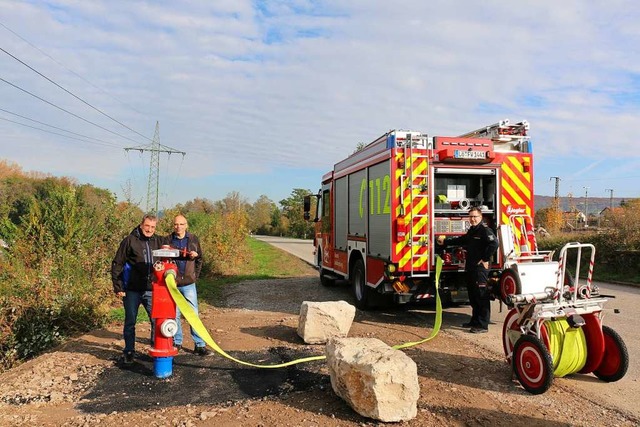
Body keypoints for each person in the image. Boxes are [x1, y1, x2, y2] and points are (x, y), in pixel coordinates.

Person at [437, 207, 498, 333]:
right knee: (473, 296)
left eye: (475, 216)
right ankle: (475, 321)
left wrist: (485, 259)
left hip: (480, 269)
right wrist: (445, 242)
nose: (473, 219)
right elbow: (462, 240)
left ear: (480, 217)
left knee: (481, 296)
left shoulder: (484, 230)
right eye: (470, 216)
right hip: (471, 267)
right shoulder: (472, 231)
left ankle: (482, 325)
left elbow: (494, 244)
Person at [111, 214, 162, 364]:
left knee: (156, 320)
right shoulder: (129, 241)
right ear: (141, 225)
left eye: (153, 227)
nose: (149, 229)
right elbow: (117, 263)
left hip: (151, 289)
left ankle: (155, 349)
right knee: (130, 321)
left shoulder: (157, 241)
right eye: (147, 226)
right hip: (132, 289)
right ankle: (129, 351)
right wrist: (118, 286)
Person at [168, 214, 210, 356]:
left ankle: (199, 345)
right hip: (173, 284)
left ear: (186, 225)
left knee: (193, 314)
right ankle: (177, 342)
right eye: (176, 224)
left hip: (189, 284)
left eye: (181, 224)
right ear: (173, 226)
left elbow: (200, 259)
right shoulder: (168, 240)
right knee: (174, 315)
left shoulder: (193, 239)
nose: (178, 227)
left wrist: (194, 276)